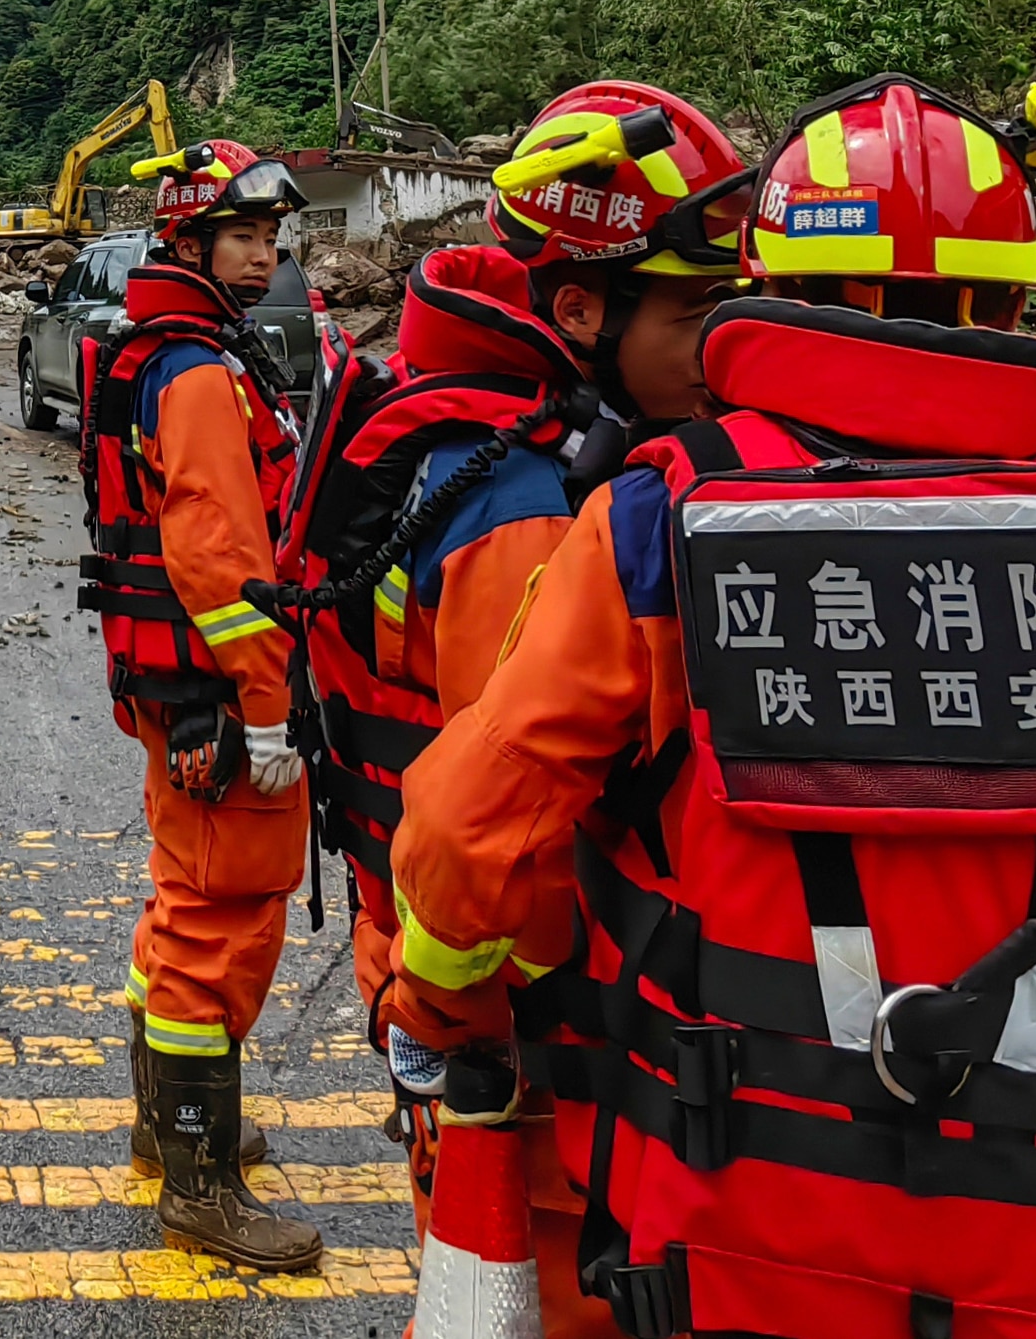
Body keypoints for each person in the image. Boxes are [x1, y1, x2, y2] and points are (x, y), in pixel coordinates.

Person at [387, 74, 1036, 1339]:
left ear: (764, 288)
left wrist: (445, 1011)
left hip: (740, 1252)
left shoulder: (654, 531)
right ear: (1017, 296)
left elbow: (467, 837)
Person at [274, 84, 748, 1329]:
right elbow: (502, 829)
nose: (729, 346)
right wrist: (467, 1016)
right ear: (580, 308)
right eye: (700, 310)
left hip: (437, 964)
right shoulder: (523, 497)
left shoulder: (457, 424)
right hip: (520, 1031)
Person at [75, 137, 321, 1269]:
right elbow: (222, 556)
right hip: (219, 699)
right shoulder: (197, 372)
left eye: (270, 237)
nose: (264, 253)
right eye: (242, 235)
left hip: (169, 688)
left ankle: (166, 1126)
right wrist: (268, 707)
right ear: (186, 240)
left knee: (182, 901)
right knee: (222, 921)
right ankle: (202, 1184)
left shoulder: (151, 349)